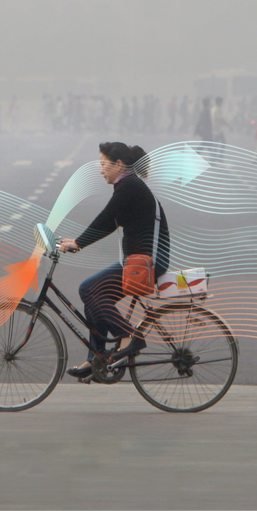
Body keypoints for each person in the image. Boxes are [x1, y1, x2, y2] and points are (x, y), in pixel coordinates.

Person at [58, 142, 170, 380]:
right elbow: (110, 222)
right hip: (138, 261)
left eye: (103, 165)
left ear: (119, 164)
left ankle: (129, 336)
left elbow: (106, 218)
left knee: (88, 289)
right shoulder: (128, 185)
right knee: (94, 293)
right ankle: (97, 359)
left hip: (147, 264)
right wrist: (77, 241)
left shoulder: (128, 186)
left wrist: (78, 243)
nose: (101, 171)